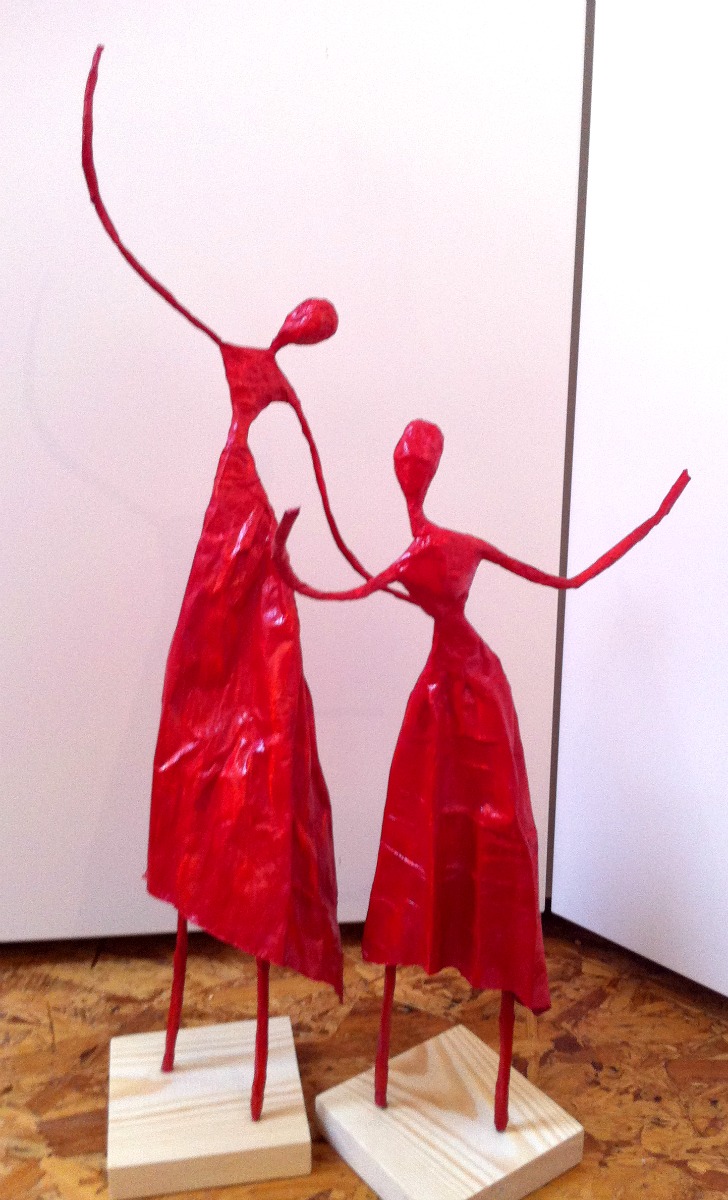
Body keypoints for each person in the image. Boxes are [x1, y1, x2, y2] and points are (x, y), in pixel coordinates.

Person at [82, 45, 397, 1120]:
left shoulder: (279, 392)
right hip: (233, 557)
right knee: (207, 732)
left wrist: (331, 576)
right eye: (309, 321)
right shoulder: (246, 364)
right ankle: (206, 917)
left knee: (257, 755)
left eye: (310, 325)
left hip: (254, 559)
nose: (303, 330)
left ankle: (250, 933)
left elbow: (332, 510)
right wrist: (93, 155)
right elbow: (142, 266)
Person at [274, 418, 688, 1130]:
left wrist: (652, 517)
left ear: (422, 471)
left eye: (415, 463)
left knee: (495, 835)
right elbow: (346, 586)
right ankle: (427, 947)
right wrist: (287, 566)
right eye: (408, 463)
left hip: (470, 693)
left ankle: (498, 963)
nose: (412, 473)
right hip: (443, 696)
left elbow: (562, 579)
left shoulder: (442, 547)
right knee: (420, 830)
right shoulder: (427, 551)